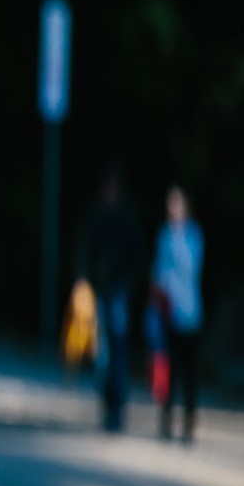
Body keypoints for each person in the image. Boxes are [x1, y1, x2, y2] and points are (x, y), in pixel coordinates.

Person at [74, 162, 143, 432]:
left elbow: (136, 256)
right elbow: (85, 249)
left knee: (119, 352)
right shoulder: (97, 214)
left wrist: (128, 284)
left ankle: (117, 408)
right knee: (102, 353)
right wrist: (83, 280)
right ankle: (106, 406)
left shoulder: (127, 217)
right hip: (99, 291)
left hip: (119, 292)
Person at [152, 185, 205, 442]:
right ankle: (166, 418)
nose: (172, 210)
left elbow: (190, 267)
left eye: (176, 205)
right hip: (167, 311)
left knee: (189, 370)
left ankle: (189, 419)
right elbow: (158, 270)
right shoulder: (164, 235)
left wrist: (178, 238)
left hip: (189, 312)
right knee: (167, 366)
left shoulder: (193, 235)